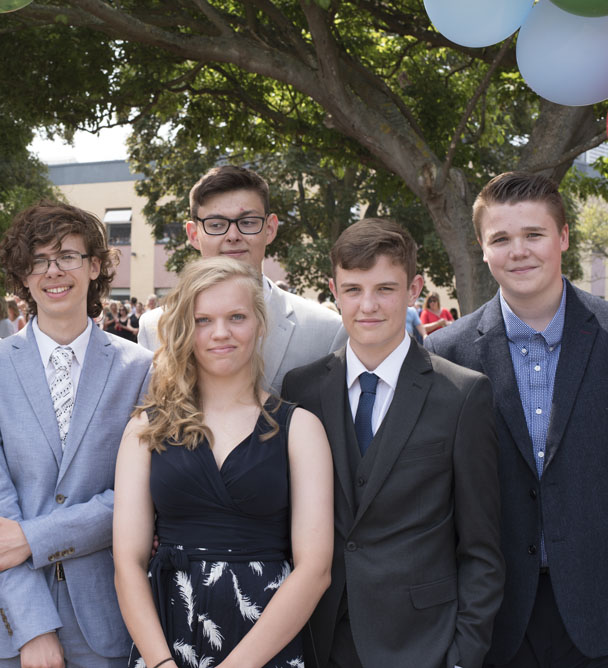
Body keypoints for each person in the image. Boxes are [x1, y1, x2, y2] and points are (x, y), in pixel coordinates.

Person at [282, 218, 503, 668]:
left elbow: (482, 549)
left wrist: (462, 657)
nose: (368, 305)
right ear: (334, 290)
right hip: (318, 638)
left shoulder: (461, 394)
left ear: (413, 289)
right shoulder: (302, 389)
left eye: (385, 289)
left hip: (423, 643)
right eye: (353, 289)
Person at [425, 172, 608, 667]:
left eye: (534, 234)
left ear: (563, 237)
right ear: (482, 249)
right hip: (494, 621)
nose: (519, 251)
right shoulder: (444, 353)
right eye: (501, 238)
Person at [114, 256, 333, 668]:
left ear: (260, 324)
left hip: (265, 639)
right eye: (203, 320)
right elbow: (128, 561)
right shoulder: (146, 428)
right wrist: (160, 663)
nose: (220, 333)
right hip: (166, 637)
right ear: (185, 327)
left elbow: (315, 569)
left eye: (236, 317)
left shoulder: (300, 429)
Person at [0, 201, 153, 668]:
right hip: (10, 620)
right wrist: (33, 628)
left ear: (94, 266)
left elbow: (141, 497)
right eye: (38, 260)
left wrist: (33, 538)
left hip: (110, 615)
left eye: (67, 255)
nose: (53, 271)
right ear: (22, 277)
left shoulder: (141, 370)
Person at [138, 165, 346, 393]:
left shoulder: (326, 330)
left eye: (247, 222)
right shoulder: (155, 328)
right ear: (194, 235)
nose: (233, 236)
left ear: (270, 228)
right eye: (216, 225)